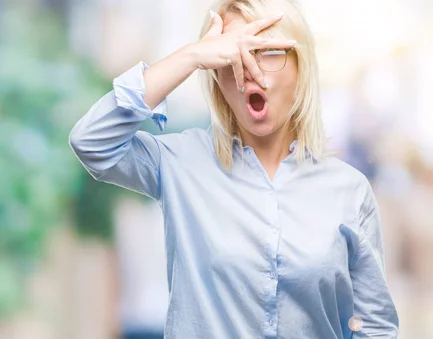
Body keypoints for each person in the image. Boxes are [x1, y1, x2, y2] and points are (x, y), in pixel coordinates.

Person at [68, 0, 399, 337]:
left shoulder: (349, 190)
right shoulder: (180, 162)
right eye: (232, 55)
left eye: (267, 51)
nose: (249, 70)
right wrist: (191, 56)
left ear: (301, 69)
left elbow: (375, 326)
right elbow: (92, 142)